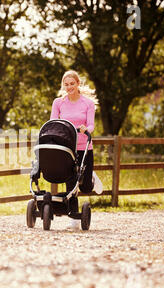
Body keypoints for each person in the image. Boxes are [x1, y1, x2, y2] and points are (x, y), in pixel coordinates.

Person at [50, 70, 103, 229]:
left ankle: (90, 176)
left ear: (78, 84)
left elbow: (92, 125)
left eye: (72, 83)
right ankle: (73, 219)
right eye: (66, 84)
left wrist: (86, 129)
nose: (69, 87)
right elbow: (53, 122)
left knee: (85, 187)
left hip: (84, 146)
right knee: (71, 183)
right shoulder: (58, 103)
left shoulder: (88, 103)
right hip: (68, 148)